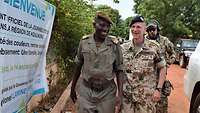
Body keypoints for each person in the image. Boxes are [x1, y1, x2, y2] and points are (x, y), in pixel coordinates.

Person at [70, 11, 124, 113]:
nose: (105, 29)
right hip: (86, 91)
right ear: (94, 25)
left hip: (107, 93)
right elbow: (78, 65)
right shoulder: (84, 42)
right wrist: (72, 88)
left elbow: (119, 70)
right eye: (102, 25)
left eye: (108, 26)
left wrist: (120, 96)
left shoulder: (114, 45)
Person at [121, 15, 166, 113]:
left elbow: (162, 68)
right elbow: (118, 71)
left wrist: (158, 89)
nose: (135, 29)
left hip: (146, 99)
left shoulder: (154, 47)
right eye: (133, 27)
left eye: (138, 27)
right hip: (127, 97)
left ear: (144, 29)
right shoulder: (123, 48)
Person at [146, 20, 176, 113]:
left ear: (157, 30)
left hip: (160, 75)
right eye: (149, 29)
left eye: (153, 29)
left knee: (161, 102)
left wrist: (167, 64)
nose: (151, 31)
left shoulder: (164, 41)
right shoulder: (144, 41)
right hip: (147, 75)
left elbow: (173, 54)